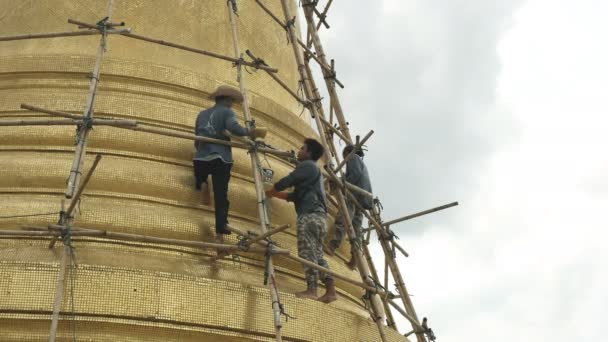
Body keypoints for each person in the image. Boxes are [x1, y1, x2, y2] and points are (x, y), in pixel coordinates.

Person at [265, 138, 337, 303]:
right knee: (318, 255)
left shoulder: (307, 166)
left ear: (309, 153)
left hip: (309, 216)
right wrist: (274, 194)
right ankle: (331, 290)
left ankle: (312, 289)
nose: (299, 151)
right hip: (319, 218)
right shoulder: (313, 174)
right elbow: (294, 196)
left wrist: (273, 187)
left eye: (302, 148)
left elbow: (289, 180)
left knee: (307, 253)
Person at [193, 85, 257, 244]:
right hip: (221, 158)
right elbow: (234, 128)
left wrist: (202, 150)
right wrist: (249, 132)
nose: (233, 104)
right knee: (221, 196)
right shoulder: (227, 112)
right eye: (232, 101)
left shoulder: (202, 114)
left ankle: (201, 182)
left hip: (201, 157)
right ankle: (220, 230)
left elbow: (196, 139)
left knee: (200, 172)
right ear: (227, 100)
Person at [326, 145, 373, 269]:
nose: (344, 159)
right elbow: (352, 175)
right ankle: (355, 258)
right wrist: (341, 179)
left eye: (344, 156)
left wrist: (343, 185)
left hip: (354, 193)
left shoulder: (353, 158)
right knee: (357, 228)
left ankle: (332, 246)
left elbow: (354, 175)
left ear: (347, 152)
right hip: (363, 197)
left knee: (344, 219)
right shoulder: (361, 163)